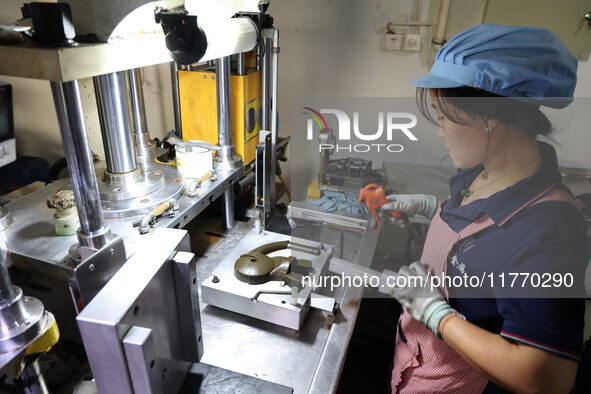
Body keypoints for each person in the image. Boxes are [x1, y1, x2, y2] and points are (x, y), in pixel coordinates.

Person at [380, 24, 588, 393]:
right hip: (417, 361)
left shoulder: (548, 229)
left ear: (487, 118)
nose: (440, 131)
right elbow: (481, 237)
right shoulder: (483, 170)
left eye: (443, 117)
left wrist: (435, 314)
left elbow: (546, 378)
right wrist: (428, 208)